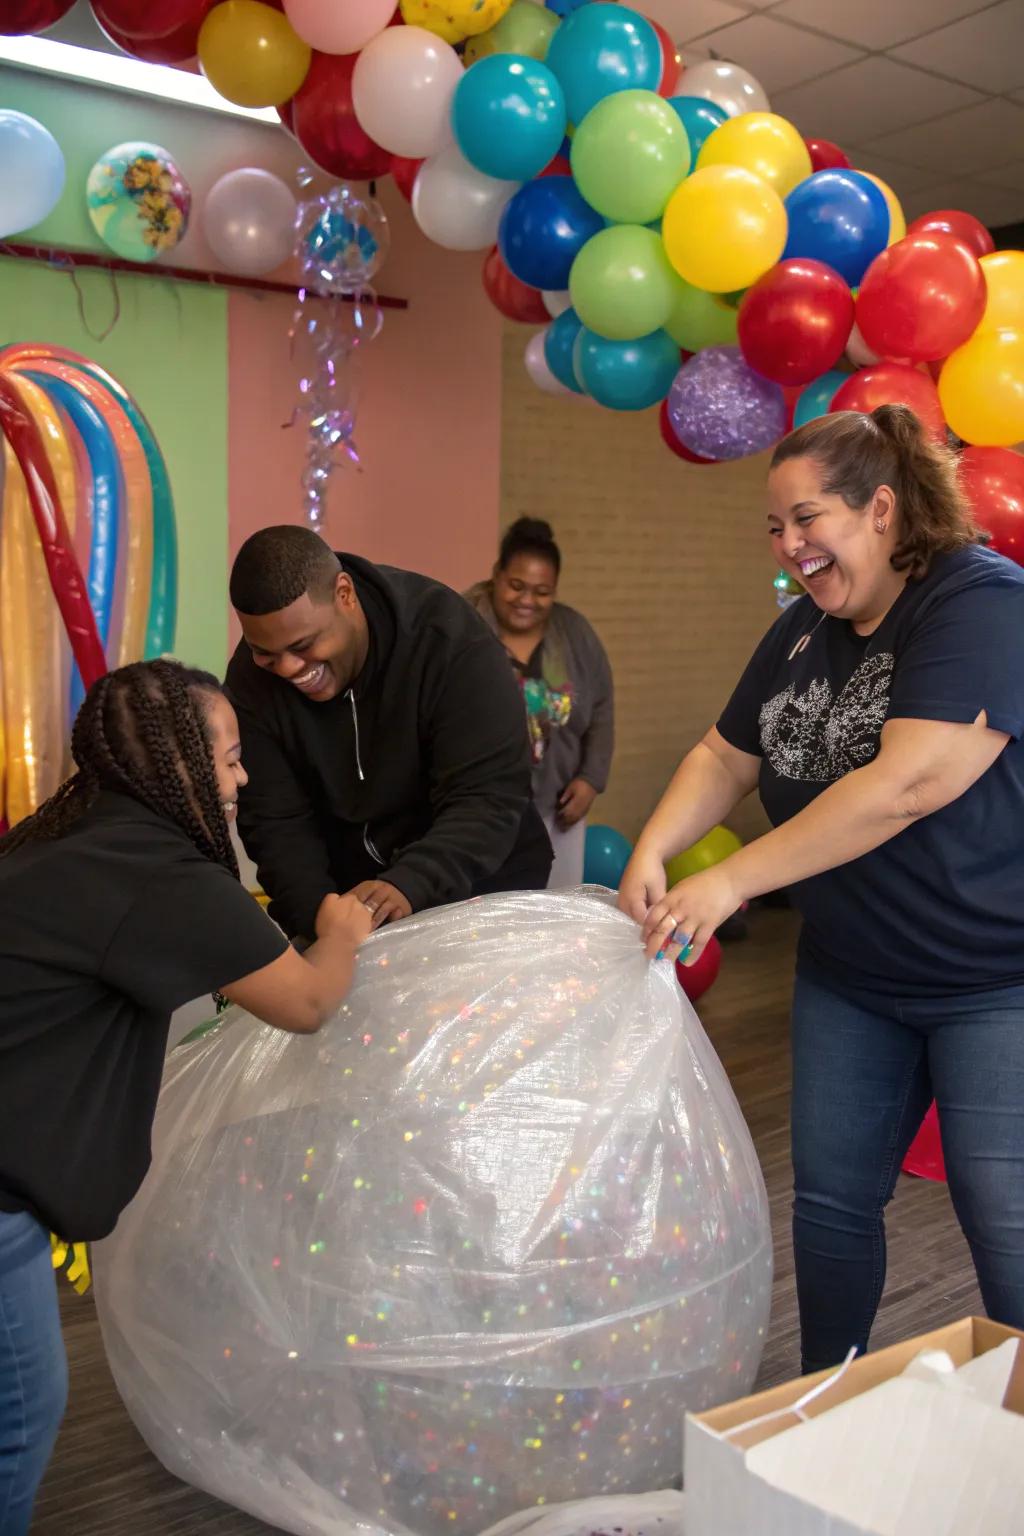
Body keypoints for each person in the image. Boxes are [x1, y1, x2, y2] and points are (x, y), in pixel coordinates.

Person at [619, 405, 1024, 1372]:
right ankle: (825, 1404)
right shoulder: (804, 630)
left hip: (993, 980)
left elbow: (908, 785)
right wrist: (653, 848)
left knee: (1003, 1216)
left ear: (882, 509)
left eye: (807, 520)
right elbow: (727, 755)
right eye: (775, 527)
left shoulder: (982, 603)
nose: (789, 546)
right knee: (833, 1204)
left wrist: (728, 882)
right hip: (852, 978)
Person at [0, 659, 371, 1533]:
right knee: (22, 1414)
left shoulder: (70, 831)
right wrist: (343, 932)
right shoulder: (162, 874)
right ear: (176, 762)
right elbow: (307, 1002)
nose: (242, 778)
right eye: (232, 757)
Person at [226, 526, 553, 940]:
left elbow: (487, 796)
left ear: (345, 595)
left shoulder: (446, 640)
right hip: (351, 907)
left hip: (481, 883)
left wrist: (410, 883)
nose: (289, 668)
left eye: (303, 645)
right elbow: (275, 824)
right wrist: (317, 916)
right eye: (266, 653)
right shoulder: (250, 682)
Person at [465, 518, 614, 887]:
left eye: (542, 591)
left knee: (555, 923)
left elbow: (601, 708)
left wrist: (591, 779)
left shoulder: (575, 634)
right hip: (476, 815)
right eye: (516, 586)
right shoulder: (462, 625)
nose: (527, 601)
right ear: (497, 574)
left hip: (557, 809)